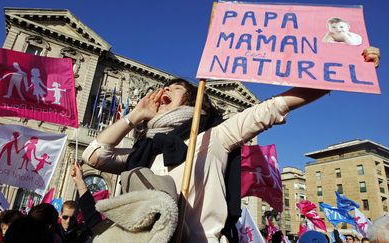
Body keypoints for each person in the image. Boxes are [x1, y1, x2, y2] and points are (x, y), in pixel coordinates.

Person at [82, 47, 380, 242]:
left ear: (193, 102)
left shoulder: (216, 136)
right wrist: (135, 116)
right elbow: (94, 155)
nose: (163, 93)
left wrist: (345, 68)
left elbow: (277, 105)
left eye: (173, 89)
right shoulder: (144, 150)